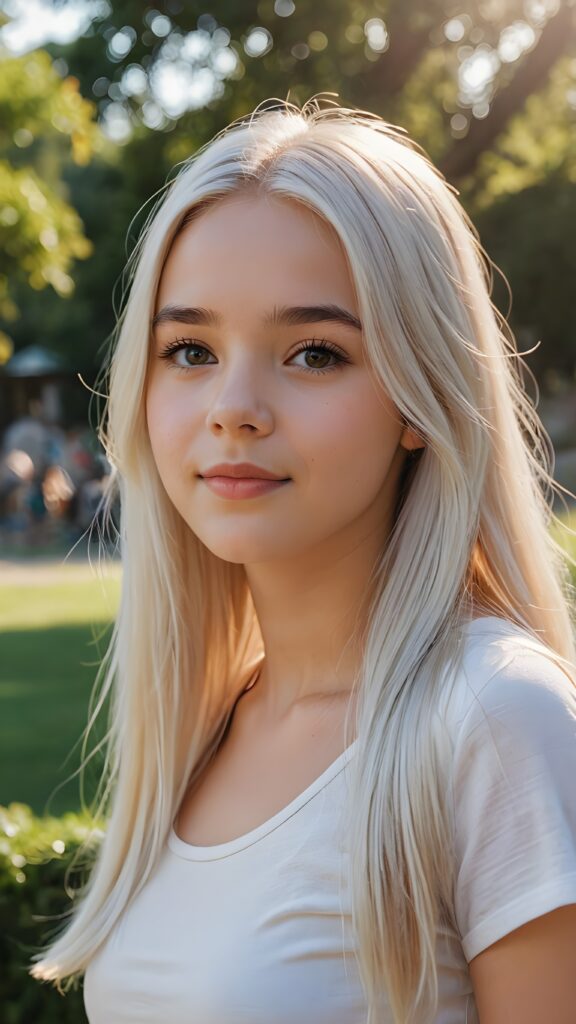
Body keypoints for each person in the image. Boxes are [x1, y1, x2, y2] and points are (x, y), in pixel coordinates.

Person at [29, 96, 576, 1023]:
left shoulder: (492, 717)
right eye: (191, 349)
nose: (233, 407)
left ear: (419, 397)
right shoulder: (205, 728)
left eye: (315, 353)